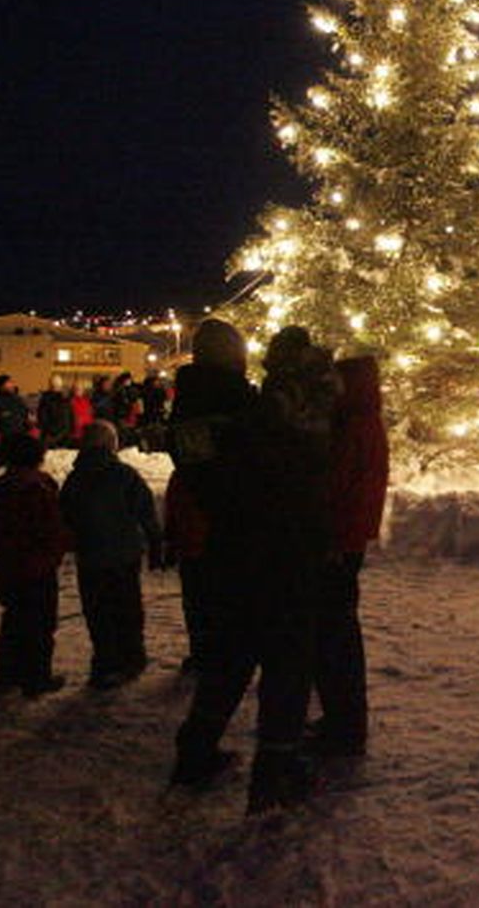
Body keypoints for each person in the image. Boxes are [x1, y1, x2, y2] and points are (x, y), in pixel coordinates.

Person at [172, 326, 337, 813]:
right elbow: (282, 475)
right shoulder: (249, 410)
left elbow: (206, 480)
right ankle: (276, 769)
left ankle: (195, 751)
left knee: (230, 655)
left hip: (228, 549)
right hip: (278, 549)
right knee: (287, 659)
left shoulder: (191, 408)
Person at [165, 318, 258, 674]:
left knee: (199, 588)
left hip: (195, 506)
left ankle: (205, 650)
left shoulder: (188, 395)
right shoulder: (238, 398)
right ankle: (226, 653)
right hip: (230, 512)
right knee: (230, 589)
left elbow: (184, 452)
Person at [307, 354, 388, 759]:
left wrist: (331, 537)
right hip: (348, 537)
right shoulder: (364, 420)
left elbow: (337, 485)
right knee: (337, 629)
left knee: (334, 633)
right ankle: (343, 718)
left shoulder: (353, 425)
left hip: (338, 541)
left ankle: (344, 724)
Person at [60, 419, 160, 688]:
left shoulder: (75, 478)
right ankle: (130, 658)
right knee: (126, 607)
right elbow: (146, 510)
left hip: (90, 555)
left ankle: (105, 660)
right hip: (123, 554)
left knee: (98, 610)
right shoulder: (124, 474)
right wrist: (155, 542)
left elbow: (64, 517)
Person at [0, 433, 71, 696]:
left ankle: (7, 675)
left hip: (8, 566)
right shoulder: (39, 486)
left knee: (13, 620)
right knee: (40, 624)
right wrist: (62, 545)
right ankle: (37, 677)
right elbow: (51, 526)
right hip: (37, 566)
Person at [36, 375, 72, 449]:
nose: (57, 387)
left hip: (61, 435)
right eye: (55, 385)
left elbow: (69, 417)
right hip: (53, 436)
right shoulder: (47, 400)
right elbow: (43, 419)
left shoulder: (64, 400)